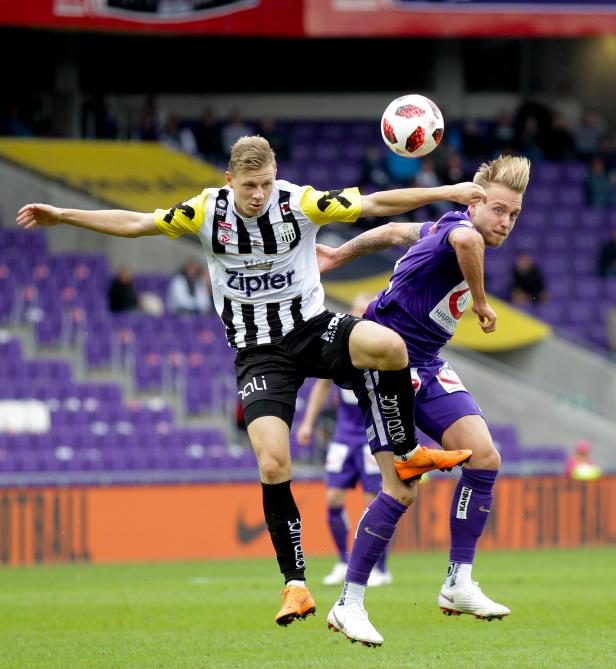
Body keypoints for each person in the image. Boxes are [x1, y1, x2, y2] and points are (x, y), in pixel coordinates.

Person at [16, 135, 481, 632]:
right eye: (248, 186)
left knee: (390, 347)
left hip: (311, 329)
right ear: (229, 181)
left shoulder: (296, 201)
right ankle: (296, 584)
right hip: (260, 354)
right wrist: (62, 215)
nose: (258, 195)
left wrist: (451, 190)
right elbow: (137, 223)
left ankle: (406, 450)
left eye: (264, 184)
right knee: (273, 460)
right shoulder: (205, 212)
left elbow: (373, 203)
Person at [317, 155, 531, 645]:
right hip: (385, 362)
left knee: (484, 457)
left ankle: (458, 581)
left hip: (427, 365)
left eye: (514, 215)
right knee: (401, 490)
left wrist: (335, 257)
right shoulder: (460, 231)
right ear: (474, 201)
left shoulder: (441, 224)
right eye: (498, 209)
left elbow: (391, 232)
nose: (505, 222)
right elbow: (467, 240)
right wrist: (479, 300)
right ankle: (348, 603)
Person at [296, 293, 393, 589]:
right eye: (356, 310)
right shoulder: (340, 345)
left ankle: (380, 567)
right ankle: (342, 559)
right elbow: (322, 387)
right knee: (333, 499)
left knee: (372, 502)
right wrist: (308, 423)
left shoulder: (382, 347)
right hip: (343, 436)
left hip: (372, 436)